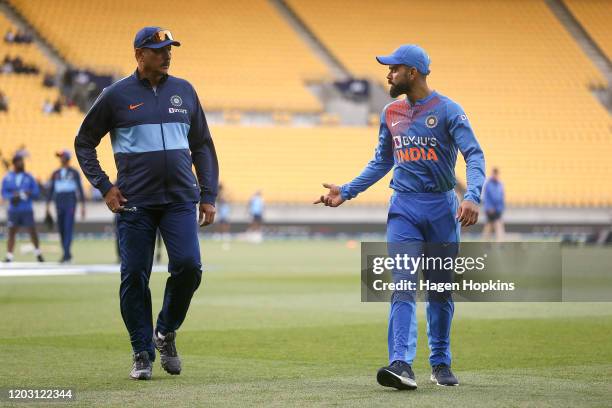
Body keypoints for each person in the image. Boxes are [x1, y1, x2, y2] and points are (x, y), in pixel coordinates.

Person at [315, 44, 485, 389]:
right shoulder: (390, 112)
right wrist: (346, 191)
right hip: (404, 209)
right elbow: (381, 161)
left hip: (441, 210)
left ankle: (440, 362)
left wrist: (472, 195)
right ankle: (401, 364)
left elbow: (474, 154)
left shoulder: (450, 111)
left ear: (413, 72)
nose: (388, 74)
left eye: (394, 69)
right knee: (403, 286)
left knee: (439, 292)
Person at [74, 27, 218, 380]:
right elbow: (84, 142)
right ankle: (141, 351)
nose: (167, 55)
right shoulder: (115, 95)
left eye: (169, 49)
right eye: (158, 50)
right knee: (134, 275)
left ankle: (165, 331)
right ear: (139, 54)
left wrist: (208, 194)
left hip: (181, 199)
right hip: (135, 202)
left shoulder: (185, 90)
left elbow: (202, 145)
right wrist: (105, 187)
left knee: (189, 266)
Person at [2, 154, 44, 262]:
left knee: (32, 231)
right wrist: (13, 196)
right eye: (19, 161)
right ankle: (9, 255)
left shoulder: (29, 177)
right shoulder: (8, 177)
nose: (22, 163)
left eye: (22, 161)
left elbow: (36, 192)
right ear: (14, 163)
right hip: (14, 209)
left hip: (26, 209)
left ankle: (38, 252)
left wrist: (28, 193)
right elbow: (4, 193)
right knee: (11, 231)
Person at [45, 149, 85, 263]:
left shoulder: (74, 172)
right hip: (59, 201)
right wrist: (47, 207)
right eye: (60, 157)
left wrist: (83, 206)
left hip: (70, 201)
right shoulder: (55, 173)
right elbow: (50, 190)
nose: (60, 159)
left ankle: (66, 254)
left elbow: (80, 189)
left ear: (67, 158)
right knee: (61, 228)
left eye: (62, 157)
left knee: (68, 227)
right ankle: (66, 253)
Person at [482, 167, 505, 241]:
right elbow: (487, 197)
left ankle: (498, 242)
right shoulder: (488, 184)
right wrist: (489, 208)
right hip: (490, 209)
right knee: (491, 226)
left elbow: (501, 197)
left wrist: (501, 208)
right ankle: (487, 242)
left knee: (494, 225)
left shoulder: (500, 184)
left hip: (498, 209)